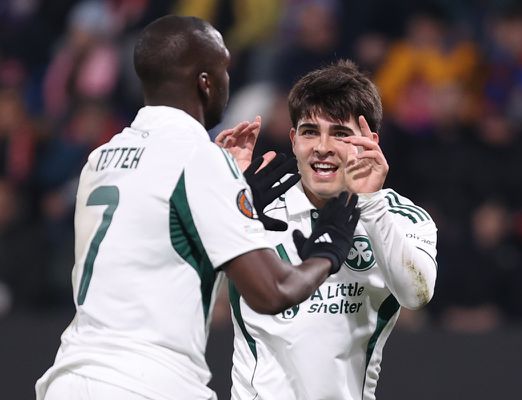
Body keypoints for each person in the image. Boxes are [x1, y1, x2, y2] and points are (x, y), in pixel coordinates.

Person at [35, 16, 360, 400]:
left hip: (69, 377)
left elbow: (155, 241)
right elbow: (274, 291)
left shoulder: (100, 159)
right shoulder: (198, 158)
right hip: (146, 383)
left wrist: (234, 202)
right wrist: (330, 247)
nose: (228, 79)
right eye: (224, 68)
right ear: (205, 82)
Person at [218, 60, 438, 400]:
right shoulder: (257, 206)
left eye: (340, 133)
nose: (322, 147)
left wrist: (371, 205)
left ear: (369, 142)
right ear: (293, 140)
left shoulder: (398, 216)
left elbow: (416, 294)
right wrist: (217, 203)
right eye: (310, 132)